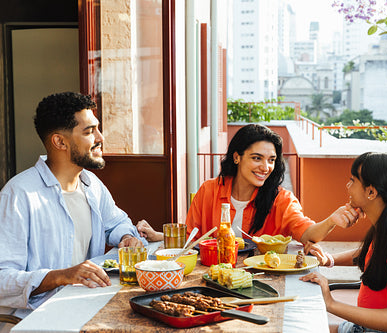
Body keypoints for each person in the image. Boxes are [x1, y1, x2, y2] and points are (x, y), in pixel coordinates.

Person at [0, 92, 146, 310]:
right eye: (89, 131)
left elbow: (117, 222)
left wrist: (126, 236)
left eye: (97, 128)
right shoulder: (18, 194)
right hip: (39, 318)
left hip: (88, 305)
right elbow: (3, 280)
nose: (100, 138)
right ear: (60, 141)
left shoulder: (92, 185)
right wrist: (63, 276)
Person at [138, 124, 358, 247]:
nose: (265, 167)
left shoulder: (281, 199)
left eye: (271, 160)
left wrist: (331, 221)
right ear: (237, 157)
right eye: (256, 158)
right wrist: (159, 235)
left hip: (261, 281)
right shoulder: (208, 190)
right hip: (210, 277)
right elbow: (193, 238)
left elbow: (308, 234)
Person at [300, 152, 387, 333]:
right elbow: (372, 254)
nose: (348, 186)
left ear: (371, 192)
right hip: (364, 328)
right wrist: (328, 260)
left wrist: (331, 303)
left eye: (353, 180)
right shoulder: (384, 228)